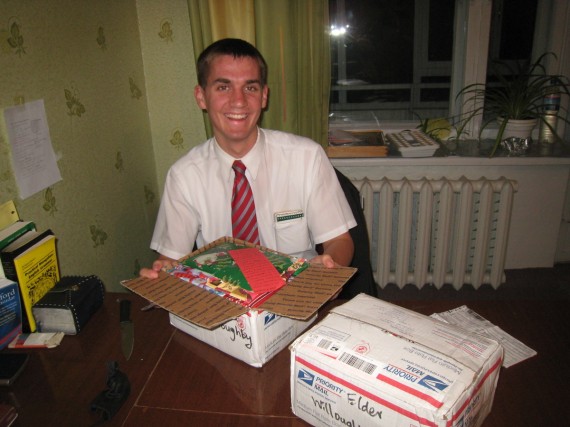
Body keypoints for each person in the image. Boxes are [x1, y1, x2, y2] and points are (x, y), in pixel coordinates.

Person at [140, 38, 355, 279]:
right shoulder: (184, 176)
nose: (239, 101)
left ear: (264, 96)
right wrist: (161, 275)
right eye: (223, 87)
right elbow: (171, 259)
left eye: (250, 88)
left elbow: (339, 240)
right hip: (222, 301)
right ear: (201, 97)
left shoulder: (307, 157)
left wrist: (326, 269)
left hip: (297, 293)